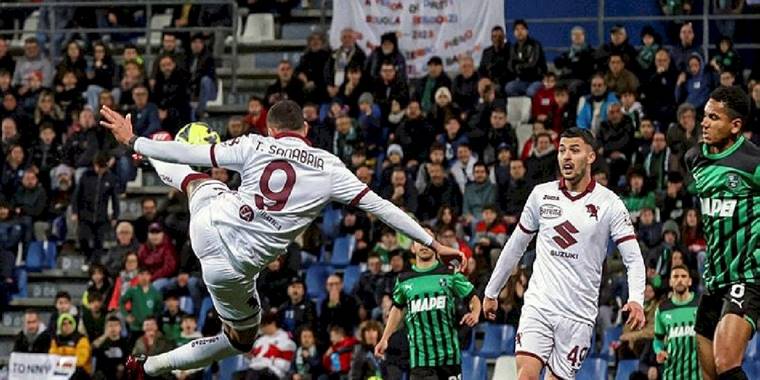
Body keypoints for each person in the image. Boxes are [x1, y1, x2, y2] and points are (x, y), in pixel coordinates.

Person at [98, 99, 465, 377]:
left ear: (272, 129)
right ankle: (146, 368)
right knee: (240, 340)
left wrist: (137, 141)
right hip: (231, 267)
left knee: (197, 180)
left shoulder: (255, 144)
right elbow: (384, 208)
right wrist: (434, 243)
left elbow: (193, 153)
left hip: (210, 221)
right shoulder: (329, 166)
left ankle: (149, 155)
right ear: (305, 128)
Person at [483, 128, 646, 379]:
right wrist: (492, 291)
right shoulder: (541, 195)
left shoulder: (610, 203)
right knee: (525, 375)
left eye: (574, 150)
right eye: (562, 150)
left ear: (591, 156)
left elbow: (633, 258)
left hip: (579, 315)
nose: (566, 157)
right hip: (540, 305)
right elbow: (515, 245)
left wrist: (636, 298)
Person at [685, 87, 760, 380]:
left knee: (727, 360)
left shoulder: (753, 162)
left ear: (735, 125)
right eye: (705, 115)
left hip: (748, 275)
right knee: (710, 372)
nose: (704, 122)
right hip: (714, 278)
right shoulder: (696, 159)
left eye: (714, 117)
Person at [375, 227, 481, 380]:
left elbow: (473, 296)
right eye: (419, 241)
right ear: (413, 248)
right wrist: (385, 338)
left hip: (449, 357)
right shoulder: (404, 279)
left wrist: (475, 313)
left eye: (427, 240)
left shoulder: (449, 273)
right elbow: (397, 309)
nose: (424, 245)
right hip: (420, 360)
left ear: (436, 245)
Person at [653, 265, 700, 379]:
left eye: (683, 276)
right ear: (670, 282)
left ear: (689, 281)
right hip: (672, 374)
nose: (680, 280)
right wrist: (659, 351)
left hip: (698, 375)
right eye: (676, 276)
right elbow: (657, 340)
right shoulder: (662, 309)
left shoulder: (701, 304)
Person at [245, 312, 296, 380]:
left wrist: (270, 361)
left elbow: (286, 365)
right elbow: (252, 360)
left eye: (263, 326)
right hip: (255, 370)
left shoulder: (285, 339)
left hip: (274, 372)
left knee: (257, 373)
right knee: (238, 375)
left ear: (272, 324)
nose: (261, 330)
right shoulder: (259, 341)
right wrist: (249, 357)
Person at [505, 20, 547, 97]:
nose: (519, 32)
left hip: (536, 80)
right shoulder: (513, 47)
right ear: (514, 33)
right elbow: (510, 66)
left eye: (522, 29)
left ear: (527, 31)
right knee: (509, 88)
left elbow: (533, 65)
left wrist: (518, 66)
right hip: (522, 81)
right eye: (517, 29)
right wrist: (521, 65)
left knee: (530, 92)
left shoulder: (535, 45)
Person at [49, 313, 92, 378]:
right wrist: (69, 360)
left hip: (81, 372)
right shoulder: (55, 340)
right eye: (64, 323)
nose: (67, 325)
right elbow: (53, 358)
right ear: (60, 326)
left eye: (70, 322)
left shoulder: (81, 339)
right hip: (61, 370)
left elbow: (80, 360)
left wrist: (61, 361)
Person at [91, 315, 131, 380]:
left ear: (120, 327)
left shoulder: (125, 342)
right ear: (106, 328)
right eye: (110, 325)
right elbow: (92, 348)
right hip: (103, 375)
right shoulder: (101, 342)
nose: (113, 328)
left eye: (116, 325)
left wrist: (123, 367)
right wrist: (105, 335)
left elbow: (129, 360)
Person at [478, 26, 512, 93]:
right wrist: (484, 81)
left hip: (504, 83)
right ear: (491, 38)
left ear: (504, 37)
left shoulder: (510, 50)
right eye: (494, 36)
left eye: (500, 36)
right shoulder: (487, 52)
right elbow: (481, 70)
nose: (497, 39)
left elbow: (510, 71)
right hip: (488, 82)